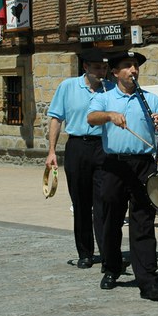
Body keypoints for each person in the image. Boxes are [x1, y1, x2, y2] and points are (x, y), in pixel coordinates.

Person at [88, 50, 158, 301]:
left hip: (143, 165)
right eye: (127, 66)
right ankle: (112, 267)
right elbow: (91, 118)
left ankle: (147, 280)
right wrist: (109, 116)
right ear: (115, 72)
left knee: (143, 221)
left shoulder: (151, 99)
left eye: (135, 65)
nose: (133, 70)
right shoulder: (105, 98)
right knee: (111, 220)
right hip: (114, 164)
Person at [46, 48, 112, 269]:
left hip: (103, 147)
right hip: (77, 146)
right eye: (97, 68)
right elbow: (56, 119)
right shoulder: (68, 87)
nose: (101, 72)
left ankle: (107, 253)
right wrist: (51, 151)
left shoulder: (111, 89)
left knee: (104, 201)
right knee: (81, 203)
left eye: (104, 68)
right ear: (85, 67)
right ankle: (85, 252)